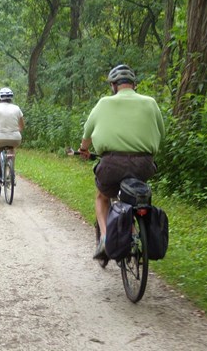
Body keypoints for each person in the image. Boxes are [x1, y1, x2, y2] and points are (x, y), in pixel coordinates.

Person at [79, 64, 165, 266]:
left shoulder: (104, 103)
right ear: (134, 85)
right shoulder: (150, 103)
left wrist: (84, 149)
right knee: (136, 193)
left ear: (113, 86)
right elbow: (162, 133)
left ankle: (106, 240)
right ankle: (134, 229)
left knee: (102, 196)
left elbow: (87, 133)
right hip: (144, 164)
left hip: (112, 163)